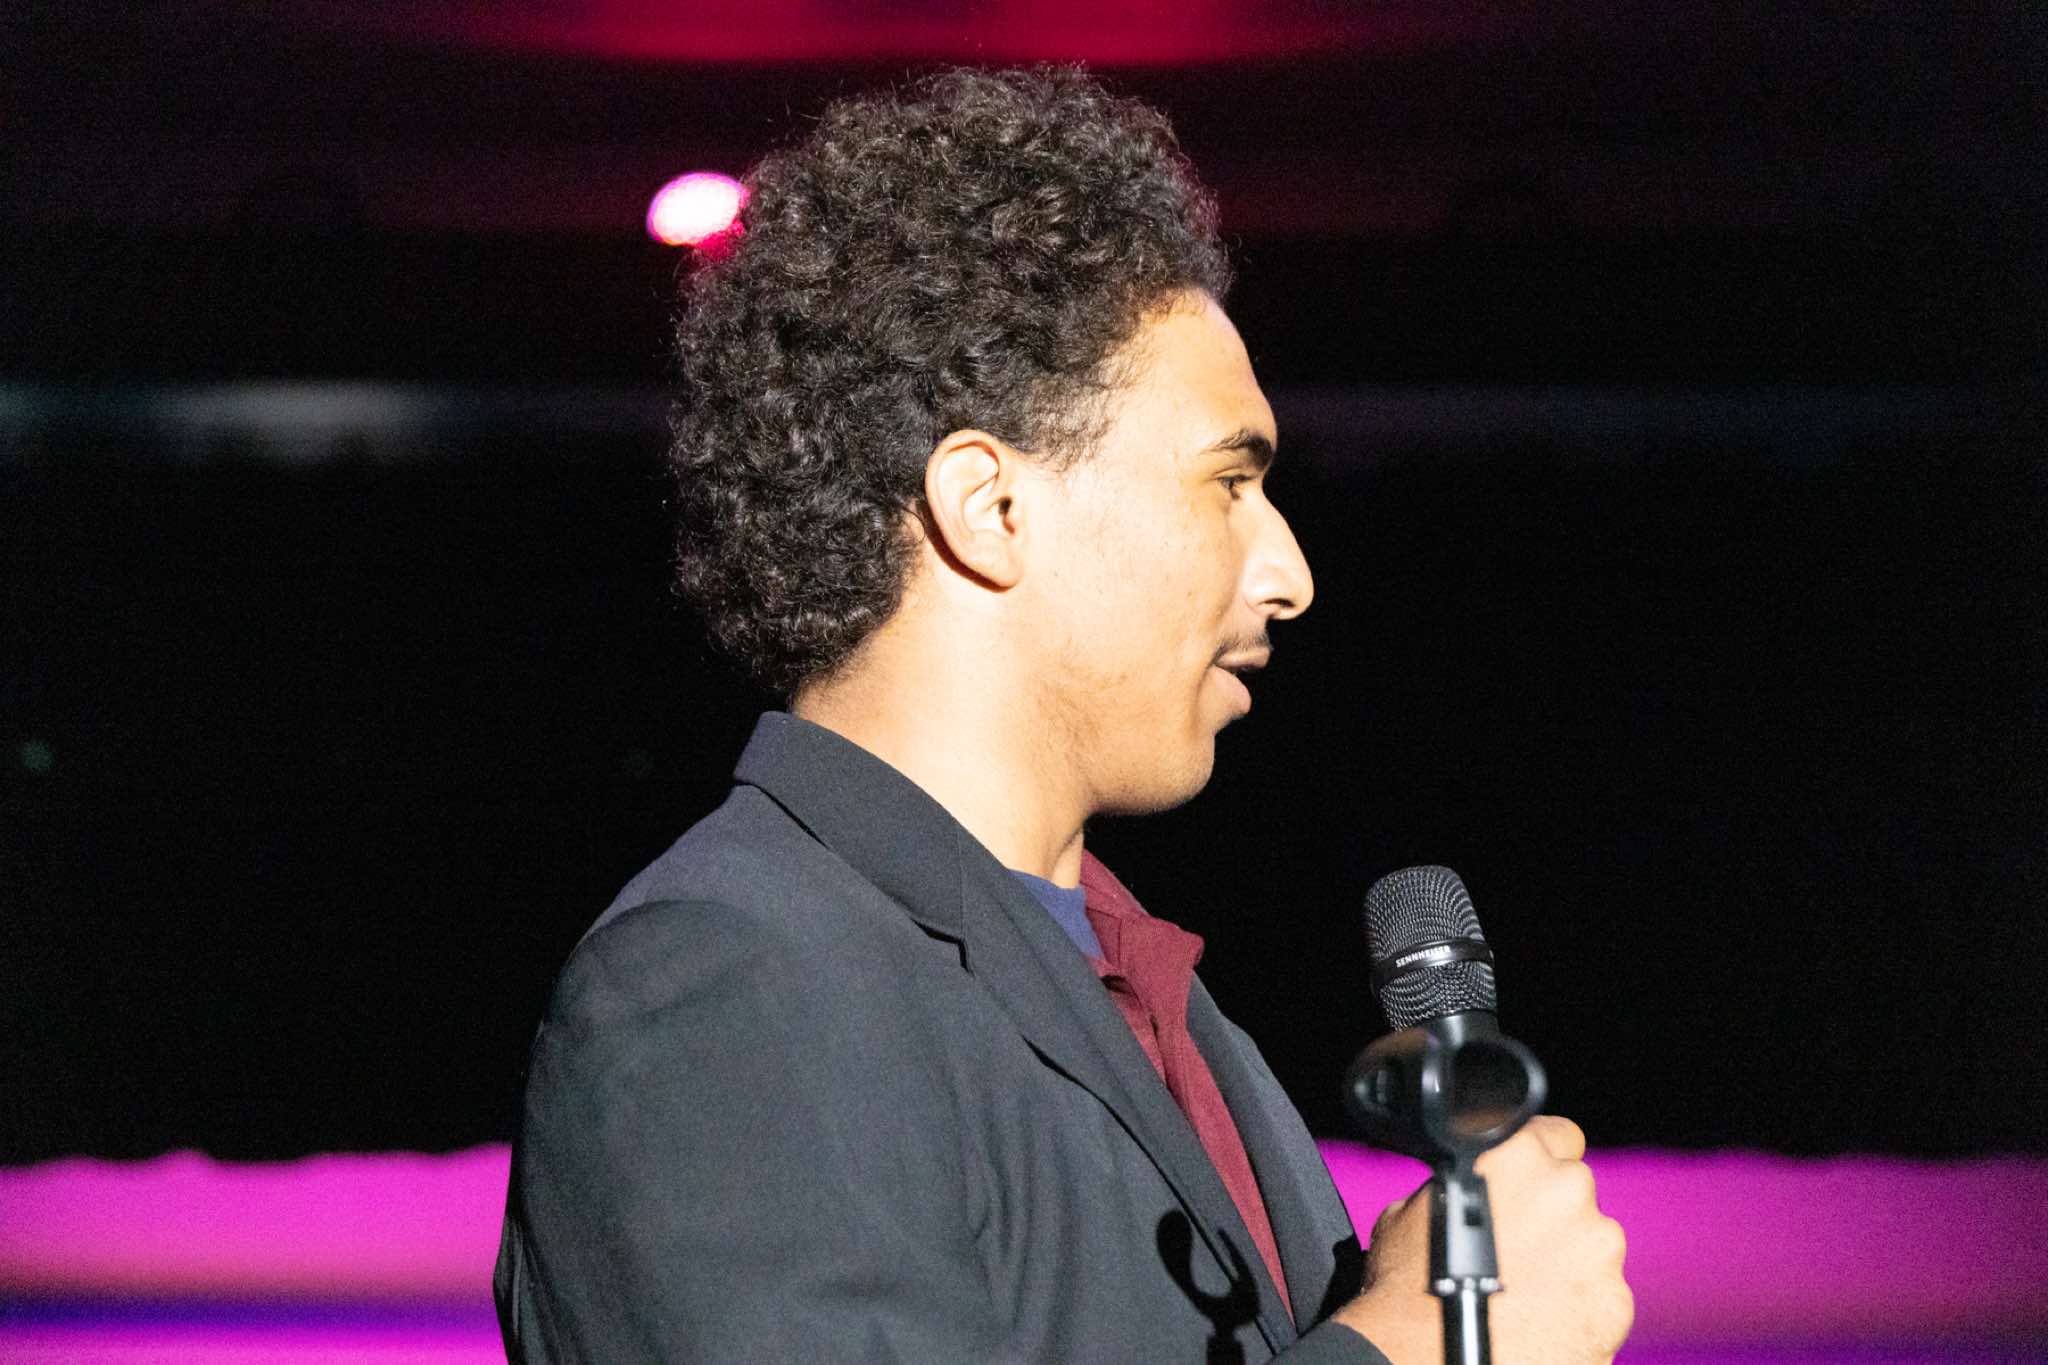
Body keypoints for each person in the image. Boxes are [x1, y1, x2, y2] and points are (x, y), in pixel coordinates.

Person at [494, 66, 1630, 1364]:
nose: (1290, 572)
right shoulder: (728, 983)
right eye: (1228, 483)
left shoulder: (1159, 1001)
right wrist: (1412, 1345)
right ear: (991, 509)